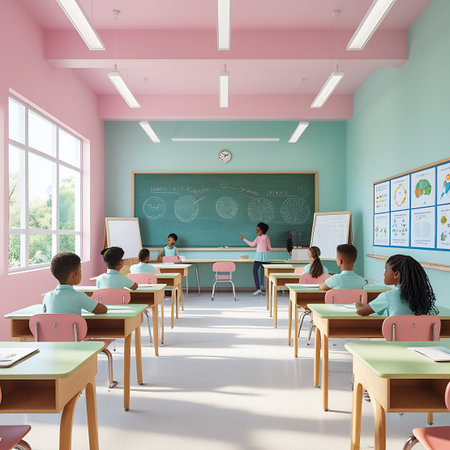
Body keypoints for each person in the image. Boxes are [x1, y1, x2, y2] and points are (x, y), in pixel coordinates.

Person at [356, 254, 438, 316]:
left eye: (386, 270)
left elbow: (361, 311)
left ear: (396, 274)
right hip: (419, 338)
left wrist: (358, 304)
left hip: (396, 337)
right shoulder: (421, 297)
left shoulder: (387, 296)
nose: (384, 274)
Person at [240, 222, 271, 295]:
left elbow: (268, 247)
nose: (256, 231)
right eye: (256, 229)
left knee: (266, 274)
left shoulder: (265, 237)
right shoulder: (258, 237)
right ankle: (259, 289)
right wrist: (244, 239)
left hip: (262, 257)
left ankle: (267, 289)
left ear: (262, 230)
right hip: (259, 257)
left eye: (258, 230)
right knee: (255, 272)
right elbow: (252, 244)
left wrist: (263, 251)